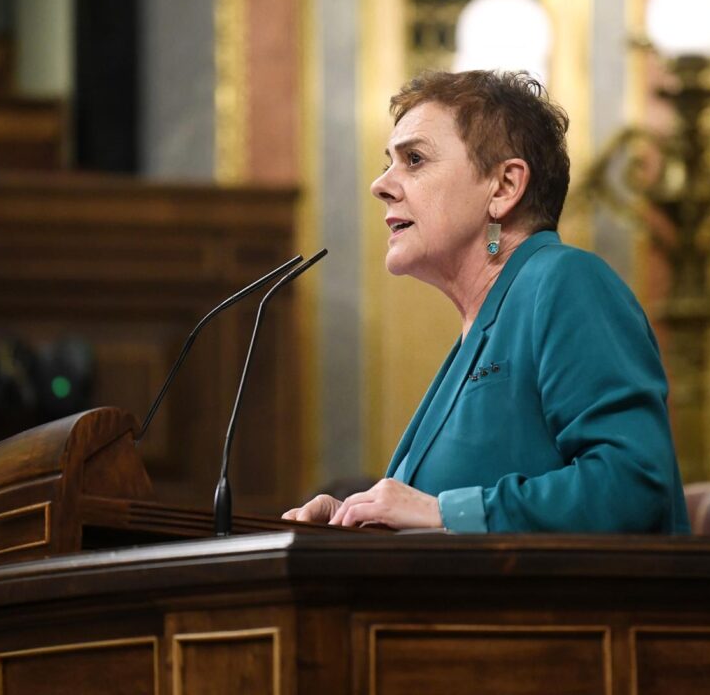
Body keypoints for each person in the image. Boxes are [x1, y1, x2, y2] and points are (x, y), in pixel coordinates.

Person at [283, 70, 689, 534]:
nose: (381, 184)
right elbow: (442, 514)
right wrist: (355, 521)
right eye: (387, 163)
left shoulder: (565, 281)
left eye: (414, 159)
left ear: (503, 187)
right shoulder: (481, 328)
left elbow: (633, 486)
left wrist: (443, 512)